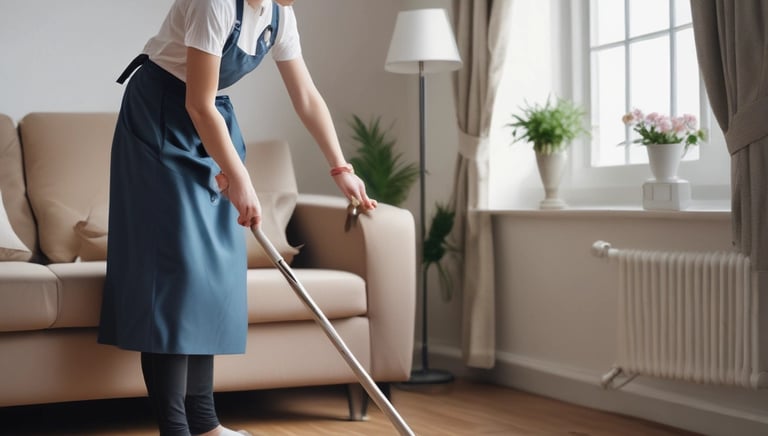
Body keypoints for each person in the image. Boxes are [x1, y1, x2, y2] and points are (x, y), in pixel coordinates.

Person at [97, 0, 376, 435]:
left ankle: (205, 423)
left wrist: (341, 168)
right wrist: (240, 178)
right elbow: (198, 102)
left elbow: (305, 96)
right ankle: (176, 428)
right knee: (175, 273)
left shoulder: (280, 16)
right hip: (158, 119)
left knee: (208, 271)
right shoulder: (216, 4)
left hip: (206, 118)